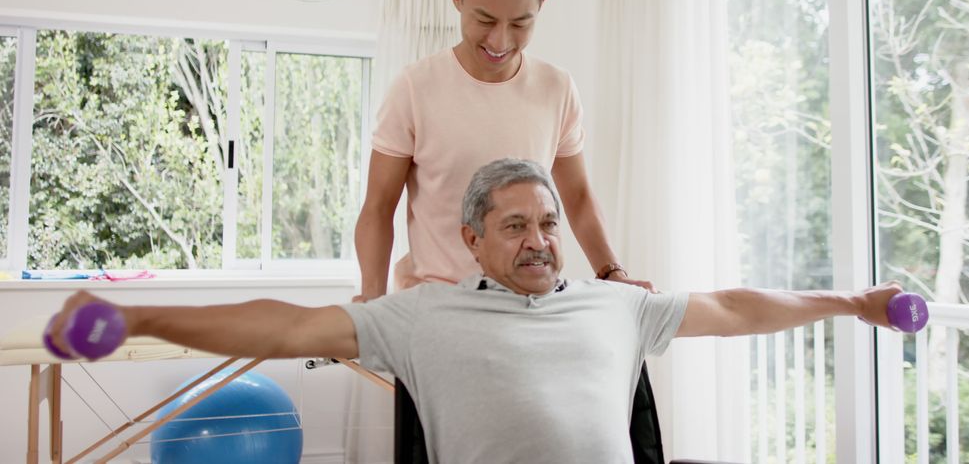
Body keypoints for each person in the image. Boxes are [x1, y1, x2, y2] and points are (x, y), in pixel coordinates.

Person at [51, 159, 904, 463]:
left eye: (547, 224)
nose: (538, 241)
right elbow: (286, 326)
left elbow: (734, 307)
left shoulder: (619, 306)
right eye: (514, 226)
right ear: (471, 238)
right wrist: (145, 321)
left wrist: (852, 303)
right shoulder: (421, 315)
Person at [353, 0, 653, 300]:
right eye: (486, 20)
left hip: (529, 302)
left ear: (541, 5)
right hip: (437, 302)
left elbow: (576, 196)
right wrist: (370, 302)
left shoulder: (556, 88)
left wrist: (612, 273)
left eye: (520, 24)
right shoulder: (414, 88)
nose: (500, 41)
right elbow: (379, 208)